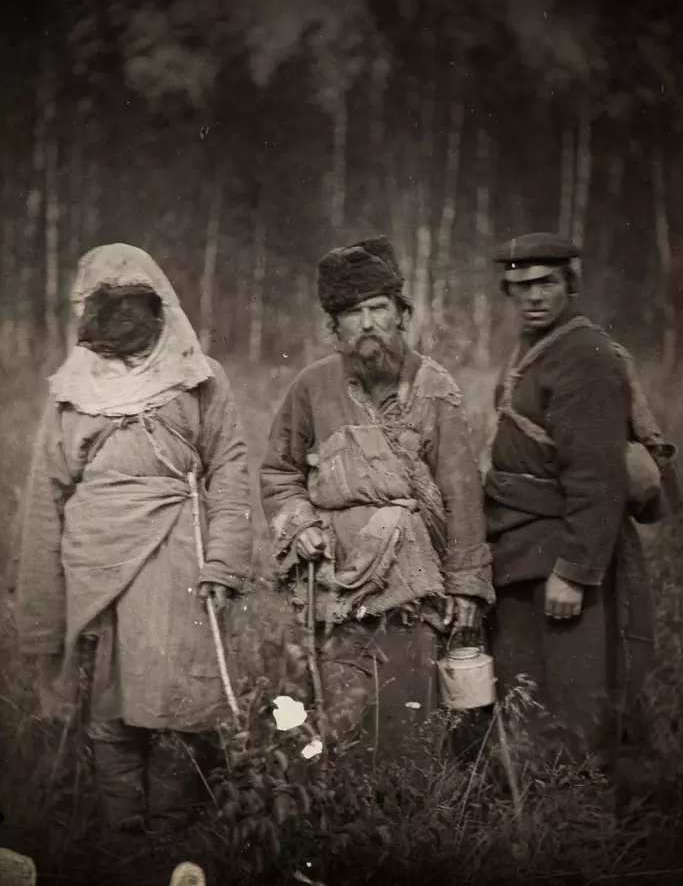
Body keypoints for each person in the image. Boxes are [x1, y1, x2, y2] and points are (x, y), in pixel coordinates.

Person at [16, 243, 253, 836]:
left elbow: (230, 468)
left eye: (133, 304)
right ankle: (123, 844)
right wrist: (44, 610)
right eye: (107, 305)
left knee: (178, 702)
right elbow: (45, 497)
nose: (121, 317)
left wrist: (222, 562)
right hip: (94, 568)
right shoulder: (70, 390)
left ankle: (170, 840)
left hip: (179, 559)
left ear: (159, 304)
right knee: (109, 705)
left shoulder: (199, 376)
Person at [259, 236, 494, 766]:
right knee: (331, 711)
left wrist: (467, 589)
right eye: (352, 313)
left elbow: (462, 495)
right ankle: (334, 811)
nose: (367, 324)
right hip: (332, 584)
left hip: (414, 586)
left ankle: (404, 820)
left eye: (378, 309)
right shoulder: (311, 388)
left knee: (406, 712)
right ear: (334, 326)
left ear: (401, 315)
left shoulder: (435, 389)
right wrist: (301, 527)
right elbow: (278, 472)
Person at [484, 231, 673, 771]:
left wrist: (574, 571)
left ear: (571, 282)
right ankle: (545, 792)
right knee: (531, 683)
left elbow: (598, 478)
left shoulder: (583, 354)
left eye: (547, 282)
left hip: (560, 554)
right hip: (526, 545)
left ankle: (578, 809)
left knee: (574, 690)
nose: (534, 296)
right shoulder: (537, 346)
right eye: (521, 286)